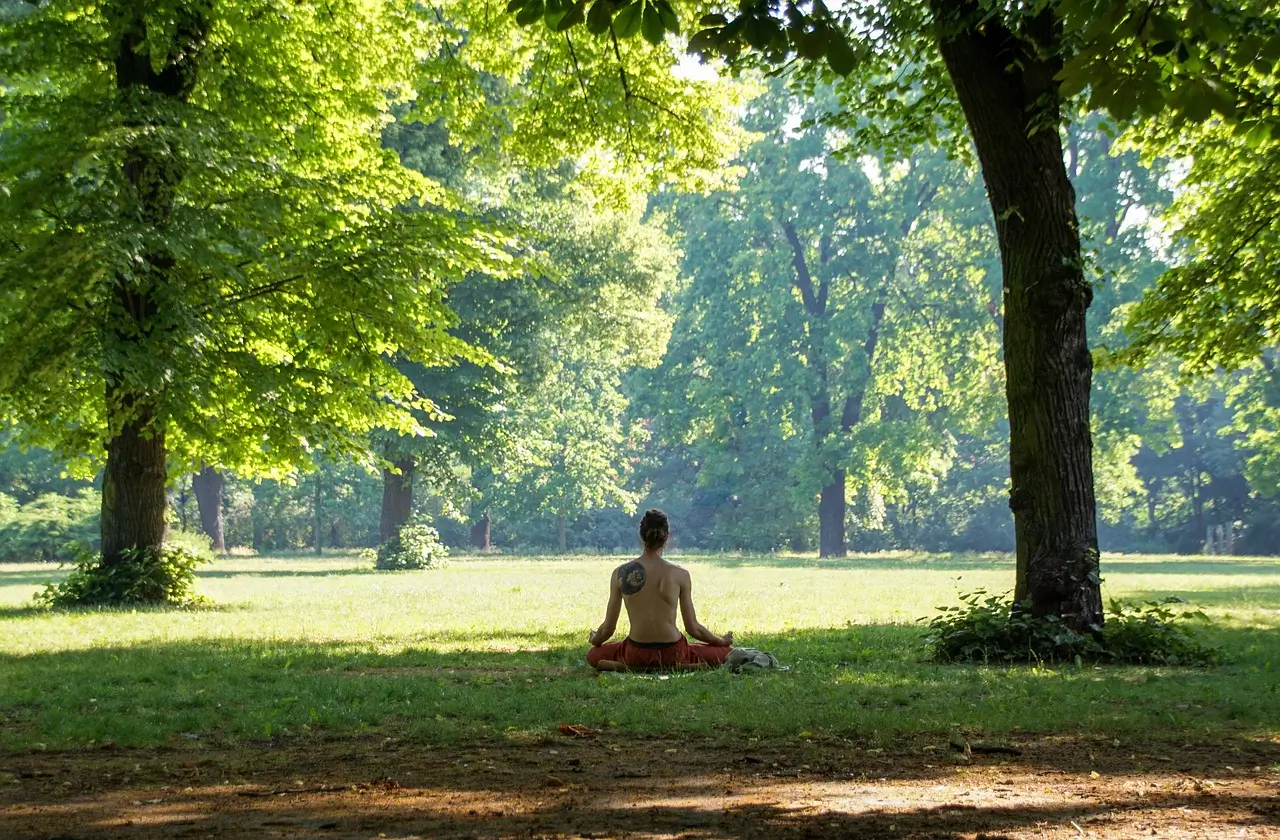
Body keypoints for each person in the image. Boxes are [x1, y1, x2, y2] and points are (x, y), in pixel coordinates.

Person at [586, 509, 734, 671]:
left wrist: (595, 640)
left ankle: (630, 666)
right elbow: (693, 627)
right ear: (667, 536)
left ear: (641, 536)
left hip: (635, 652)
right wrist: (720, 642)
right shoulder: (681, 574)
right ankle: (684, 666)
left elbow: (608, 628)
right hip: (674, 652)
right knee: (726, 653)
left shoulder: (621, 573)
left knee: (594, 654)